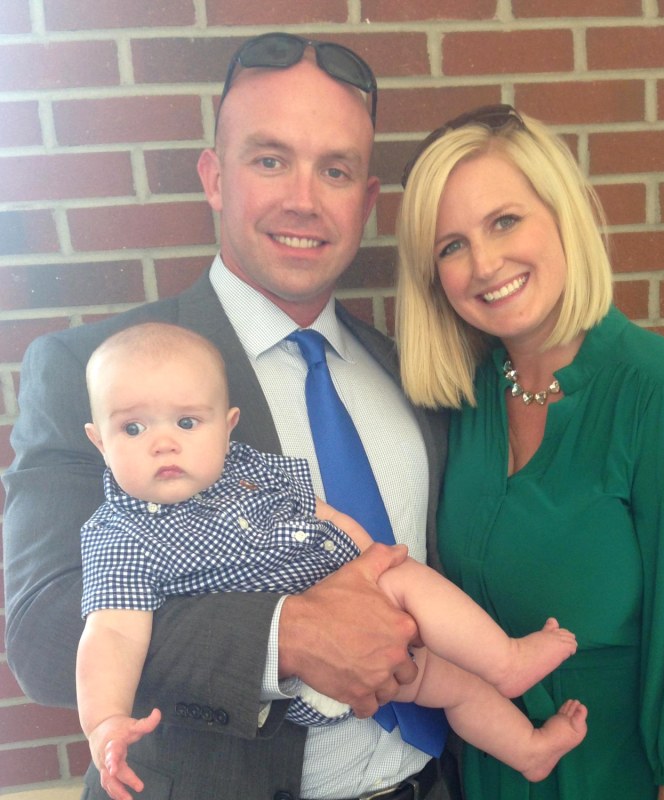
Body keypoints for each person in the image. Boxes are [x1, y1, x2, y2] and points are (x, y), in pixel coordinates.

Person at [5, 33, 457, 800]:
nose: (303, 200)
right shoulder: (95, 375)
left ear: (367, 202)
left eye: (335, 170)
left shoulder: (414, 374)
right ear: (214, 177)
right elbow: (44, 632)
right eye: (270, 159)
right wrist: (289, 636)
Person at [395, 104, 664, 800]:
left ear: (560, 213)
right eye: (451, 246)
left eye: (505, 221)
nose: (485, 264)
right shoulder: (463, 408)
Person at [77, 321, 587, 800]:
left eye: (187, 422)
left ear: (227, 427)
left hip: (377, 632)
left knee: (455, 686)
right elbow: (113, 634)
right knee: (411, 593)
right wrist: (105, 720)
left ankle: (527, 747)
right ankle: (507, 660)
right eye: (134, 430)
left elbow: (318, 511)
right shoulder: (122, 535)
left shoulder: (244, 467)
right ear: (99, 441)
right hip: (300, 684)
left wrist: (369, 556)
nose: (164, 442)